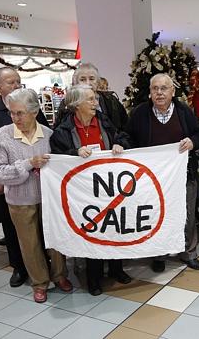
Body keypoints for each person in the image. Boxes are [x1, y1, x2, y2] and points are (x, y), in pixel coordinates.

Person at [0, 88, 73, 303]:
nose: (15, 118)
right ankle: (39, 283)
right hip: (20, 201)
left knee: (54, 240)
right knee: (30, 244)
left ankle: (60, 275)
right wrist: (28, 164)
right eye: (12, 113)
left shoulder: (48, 134)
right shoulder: (2, 135)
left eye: (20, 113)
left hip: (49, 200)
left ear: (34, 112)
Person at [50, 85, 132, 296]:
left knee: (113, 229)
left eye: (95, 99)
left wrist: (119, 144)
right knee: (92, 232)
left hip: (109, 187)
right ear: (77, 104)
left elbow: (123, 136)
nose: (96, 103)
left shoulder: (104, 122)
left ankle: (117, 270)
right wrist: (74, 152)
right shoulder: (63, 130)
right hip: (83, 192)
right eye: (90, 100)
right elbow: (57, 157)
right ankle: (94, 278)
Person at [125, 73, 199, 272]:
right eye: (155, 88)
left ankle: (189, 252)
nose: (159, 92)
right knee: (157, 214)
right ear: (150, 92)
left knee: (187, 215)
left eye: (164, 88)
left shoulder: (183, 111)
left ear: (173, 91)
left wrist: (192, 142)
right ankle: (159, 254)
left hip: (184, 175)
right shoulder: (139, 113)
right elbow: (128, 137)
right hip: (153, 179)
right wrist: (122, 145)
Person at [0, 67, 49, 287]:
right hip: (8, 183)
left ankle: (49, 269)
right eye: (10, 82)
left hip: (40, 189)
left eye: (18, 81)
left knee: (43, 233)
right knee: (14, 231)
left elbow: (46, 140)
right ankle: (19, 268)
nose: (16, 85)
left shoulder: (31, 106)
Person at [55, 63, 127, 130]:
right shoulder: (67, 103)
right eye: (82, 79)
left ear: (98, 82)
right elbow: (60, 130)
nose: (88, 83)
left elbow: (124, 127)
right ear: (75, 83)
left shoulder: (111, 100)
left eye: (92, 79)